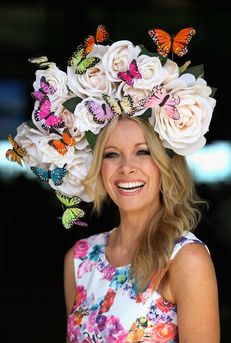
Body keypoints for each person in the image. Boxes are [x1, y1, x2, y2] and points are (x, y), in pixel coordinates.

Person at [6, 24, 220, 342]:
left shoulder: (186, 260)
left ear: (165, 165)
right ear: (98, 166)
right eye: (111, 154)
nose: (126, 168)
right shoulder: (78, 259)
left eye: (143, 152)